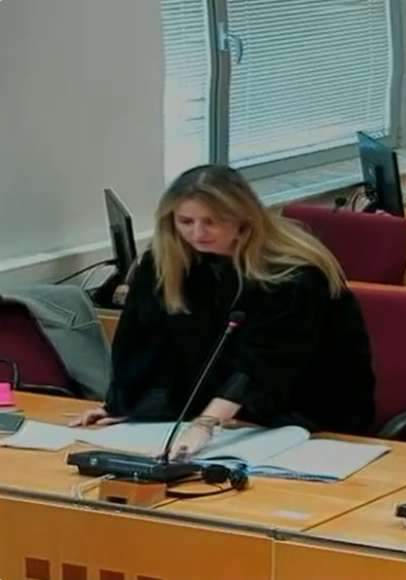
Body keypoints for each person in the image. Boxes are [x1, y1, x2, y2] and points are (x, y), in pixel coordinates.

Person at [71, 165, 375, 460]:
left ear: (243, 218)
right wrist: (125, 406)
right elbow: (143, 342)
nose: (197, 233)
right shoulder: (166, 265)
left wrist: (205, 424)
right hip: (221, 417)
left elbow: (263, 362)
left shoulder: (292, 274)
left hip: (307, 415)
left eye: (211, 222)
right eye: (186, 221)